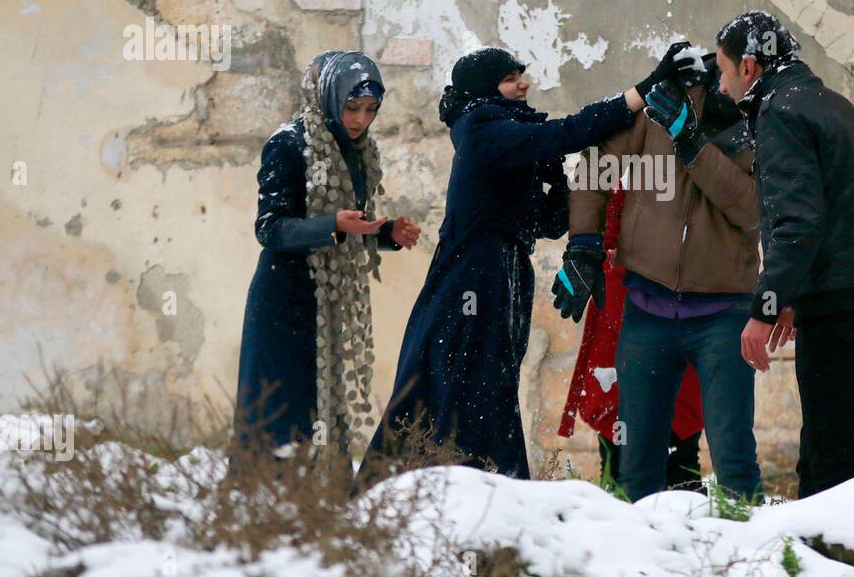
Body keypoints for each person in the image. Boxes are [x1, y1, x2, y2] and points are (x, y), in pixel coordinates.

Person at [356, 47, 665, 490]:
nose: (522, 84)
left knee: (490, 385)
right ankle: (443, 488)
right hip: (474, 274)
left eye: (521, 74)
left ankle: (484, 487)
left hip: (504, 272)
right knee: (459, 384)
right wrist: (640, 93)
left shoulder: (507, 131)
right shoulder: (481, 126)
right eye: (509, 79)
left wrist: (556, 177)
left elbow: (546, 222)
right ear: (485, 90)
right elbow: (570, 131)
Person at [555, 41, 763, 503]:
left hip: (724, 311)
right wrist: (584, 244)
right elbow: (597, 166)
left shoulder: (765, 119)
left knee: (733, 460)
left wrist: (692, 142)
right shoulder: (666, 101)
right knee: (637, 464)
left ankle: (750, 567)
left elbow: (751, 211)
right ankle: (637, 568)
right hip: (646, 306)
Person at [714, 11, 854, 499]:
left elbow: (799, 223)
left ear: (749, 67)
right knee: (820, 451)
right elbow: (838, 210)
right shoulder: (832, 103)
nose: (720, 84)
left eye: (723, 70)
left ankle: (846, 564)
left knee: (836, 463)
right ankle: (817, 560)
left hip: (839, 310)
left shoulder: (780, 111)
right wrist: (793, 297)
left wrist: (765, 307)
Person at [233, 51, 421, 484]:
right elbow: (271, 228)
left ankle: (321, 512)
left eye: (371, 110)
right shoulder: (288, 143)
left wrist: (386, 232)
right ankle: (264, 515)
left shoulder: (354, 149)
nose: (360, 119)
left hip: (328, 301)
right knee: (279, 413)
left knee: (322, 410)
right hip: (284, 299)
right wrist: (330, 225)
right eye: (352, 107)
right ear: (328, 97)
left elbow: (348, 226)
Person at [557, 185, 705, 493]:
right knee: (618, 441)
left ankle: (684, 529)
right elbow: (605, 223)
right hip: (624, 302)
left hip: (683, 299)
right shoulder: (629, 159)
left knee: (679, 446)